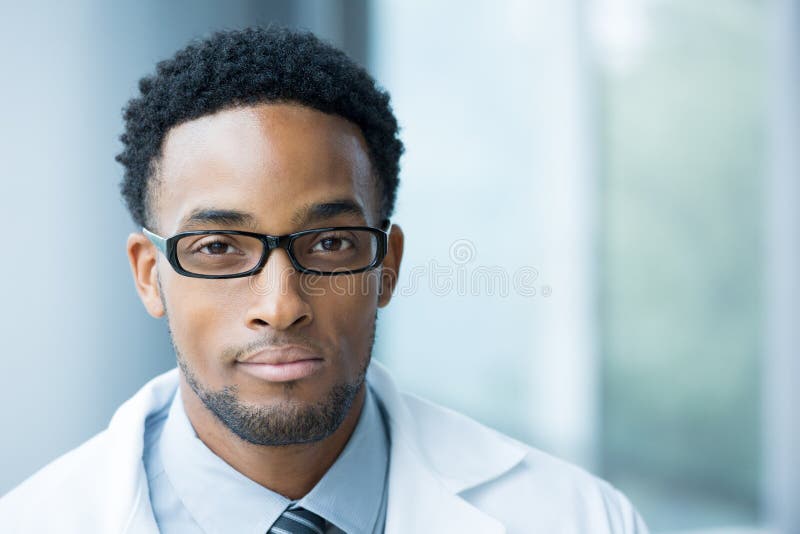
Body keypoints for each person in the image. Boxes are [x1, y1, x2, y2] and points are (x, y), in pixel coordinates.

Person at [0, 27, 649, 533]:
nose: (280, 306)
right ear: (150, 276)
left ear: (386, 266)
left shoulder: (580, 519)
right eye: (219, 246)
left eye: (331, 242)